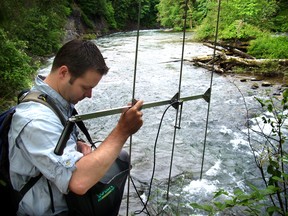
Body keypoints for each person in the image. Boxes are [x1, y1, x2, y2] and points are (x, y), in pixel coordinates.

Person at [8, 39, 144, 215]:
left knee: (120, 158)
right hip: (52, 211)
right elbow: (78, 182)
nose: (89, 95)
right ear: (63, 72)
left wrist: (77, 143)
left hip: (66, 199)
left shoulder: (55, 99)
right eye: (86, 87)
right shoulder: (36, 120)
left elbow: (55, 138)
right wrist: (123, 131)